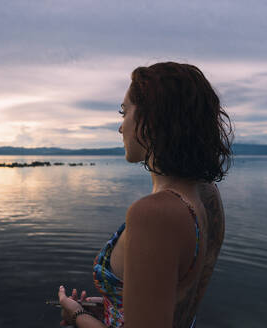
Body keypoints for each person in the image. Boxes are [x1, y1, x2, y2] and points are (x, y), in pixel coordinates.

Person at [57, 61, 233, 328]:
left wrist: (77, 315)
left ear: (151, 120)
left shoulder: (154, 214)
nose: (120, 127)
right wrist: (114, 306)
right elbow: (176, 295)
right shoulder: (207, 195)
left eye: (124, 112)